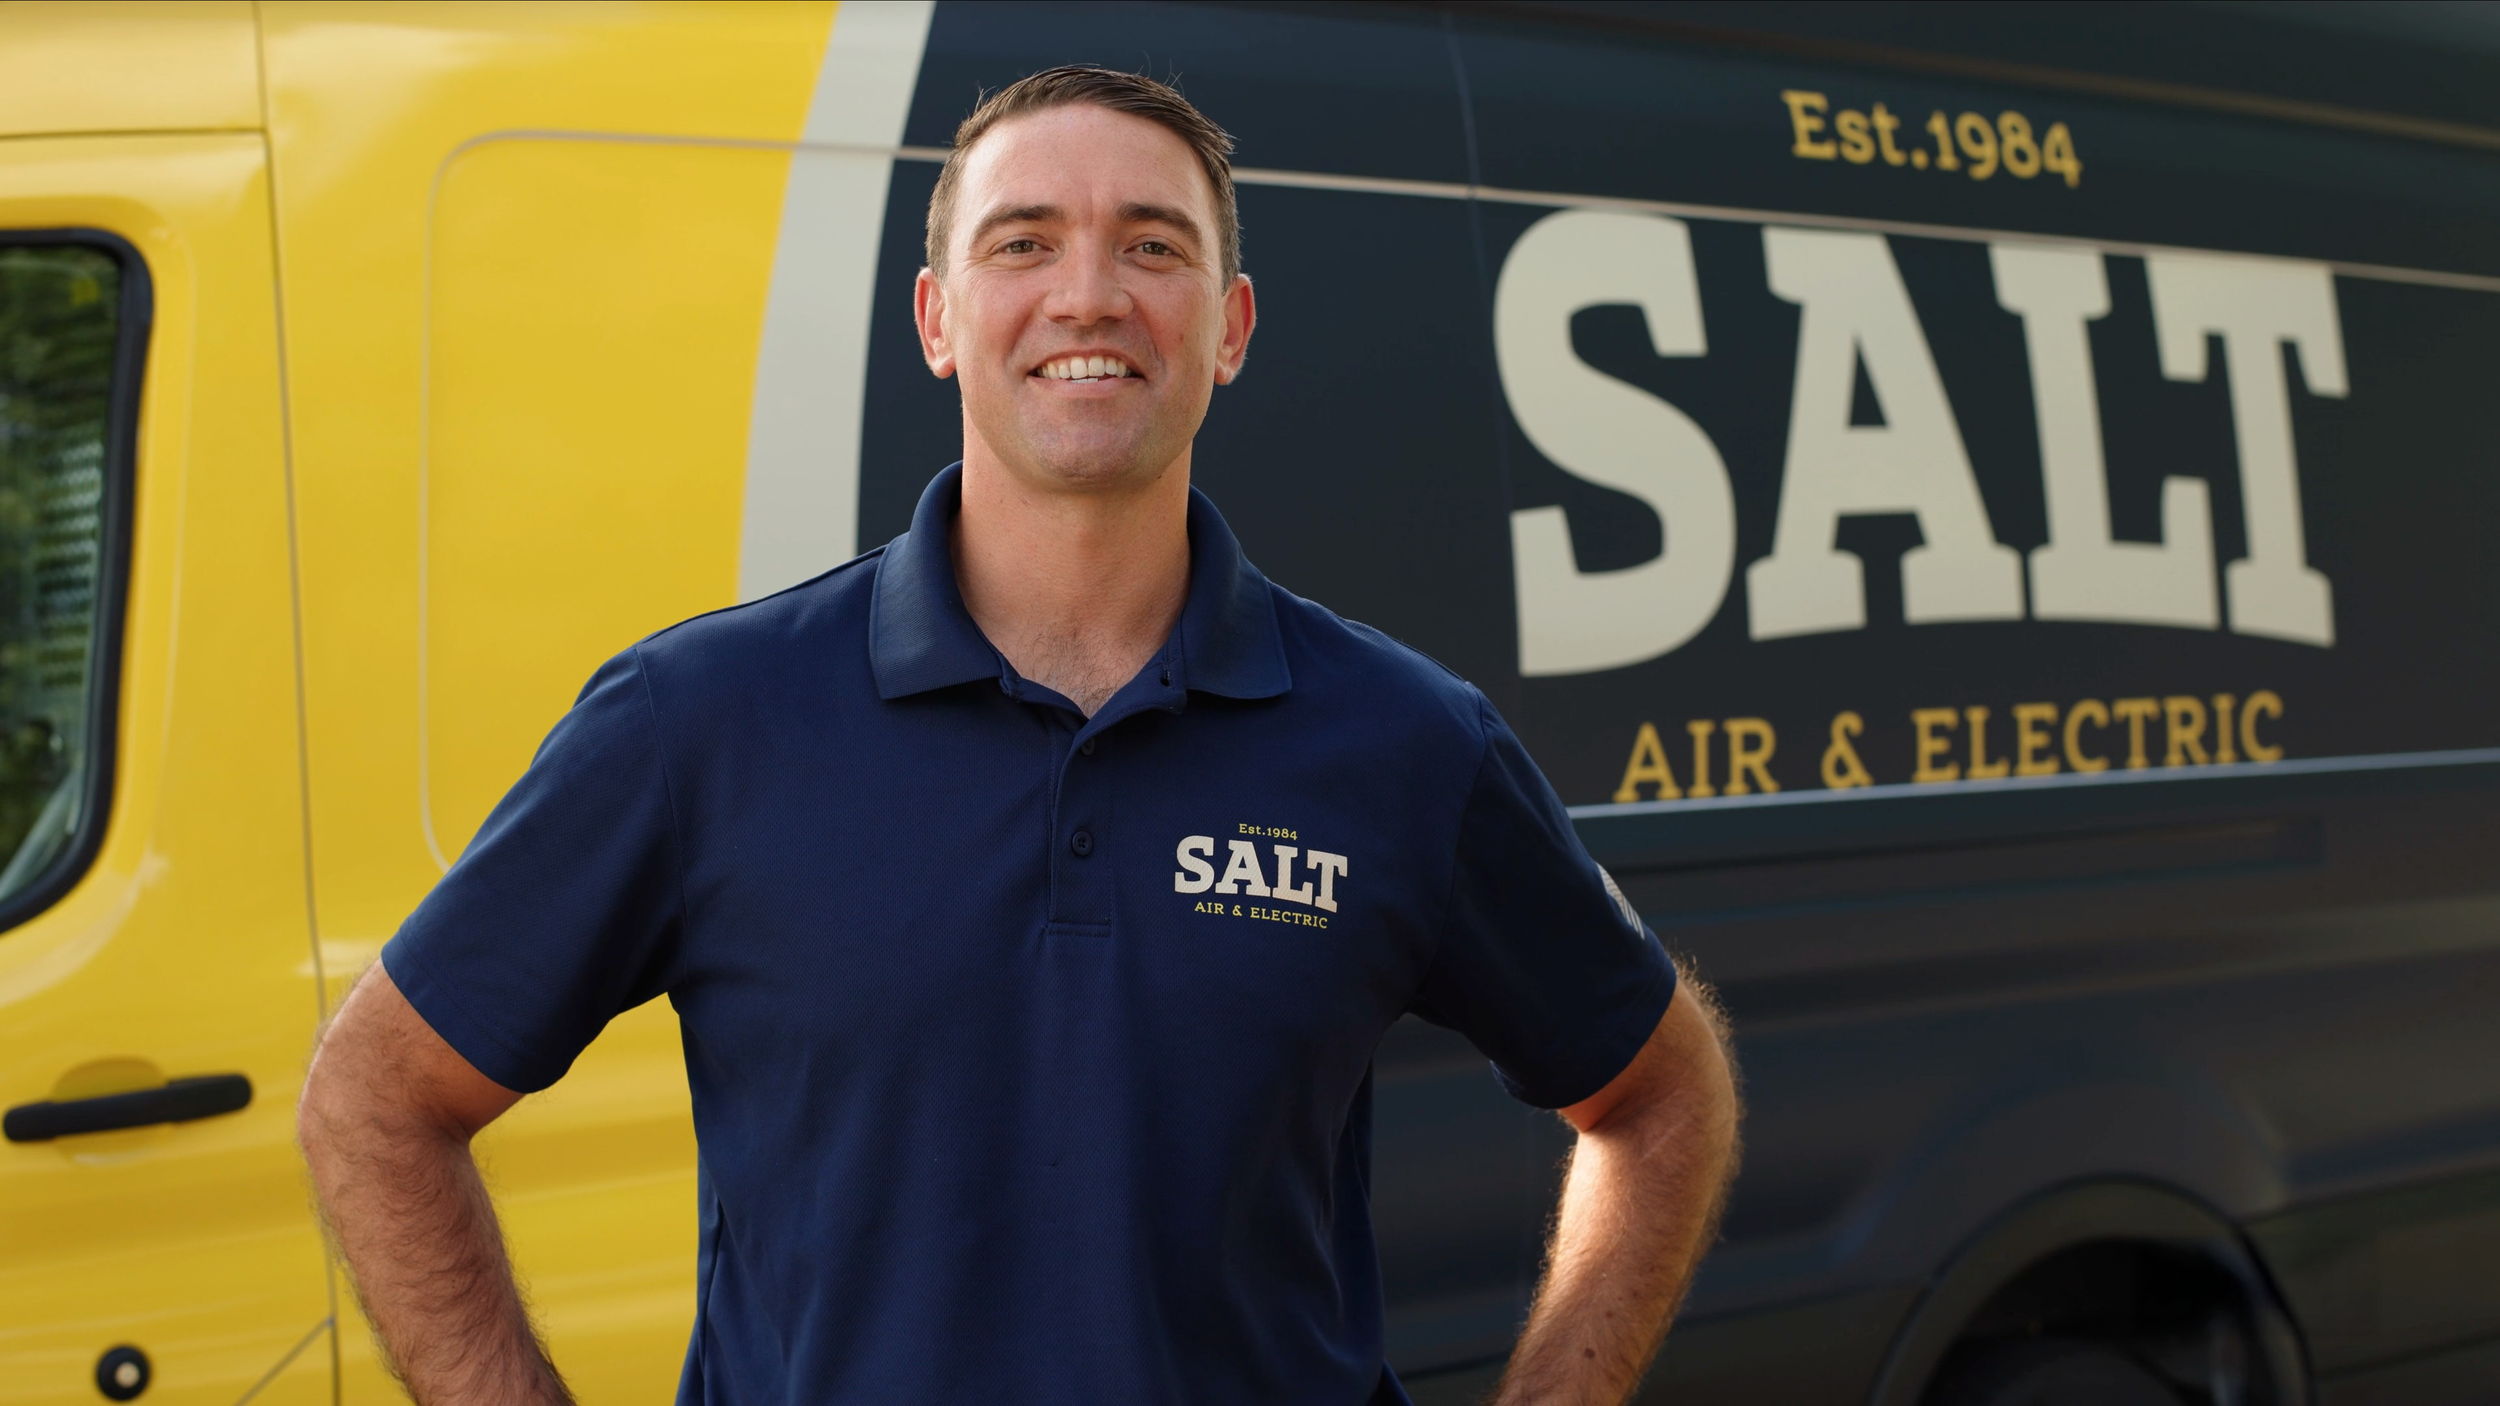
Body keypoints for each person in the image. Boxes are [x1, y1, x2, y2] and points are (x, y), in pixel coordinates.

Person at [297, 65, 1740, 1406]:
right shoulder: (701, 722)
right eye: (1024, 242)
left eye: (1155, 246)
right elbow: (376, 1098)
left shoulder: (1403, 743)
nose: (1090, 295)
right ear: (936, 318)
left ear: (1230, 331)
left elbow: (1659, 1092)